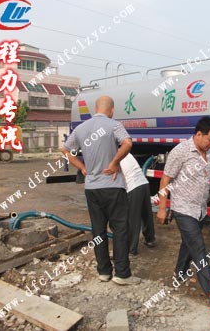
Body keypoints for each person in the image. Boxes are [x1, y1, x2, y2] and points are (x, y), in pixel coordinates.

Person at [156, 116, 210, 303]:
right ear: (198, 134)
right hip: (183, 208)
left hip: (200, 208)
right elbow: (165, 180)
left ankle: (180, 272)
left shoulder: (209, 152)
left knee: (189, 244)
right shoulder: (181, 151)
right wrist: (162, 207)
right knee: (198, 246)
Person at [61, 95, 140, 286]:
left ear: (96, 108)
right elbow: (128, 143)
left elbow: (64, 149)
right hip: (112, 186)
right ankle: (122, 274)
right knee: (120, 230)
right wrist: (114, 163)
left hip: (92, 188)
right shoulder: (114, 125)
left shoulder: (81, 128)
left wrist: (81, 167)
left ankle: (104, 271)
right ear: (111, 110)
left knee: (98, 231)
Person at [120, 153, 156, 255]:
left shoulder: (113, 155)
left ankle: (131, 248)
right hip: (143, 184)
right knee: (146, 214)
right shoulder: (126, 153)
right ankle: (150, 239)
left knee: (132, 218)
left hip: (132, 186)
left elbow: (120, 175)